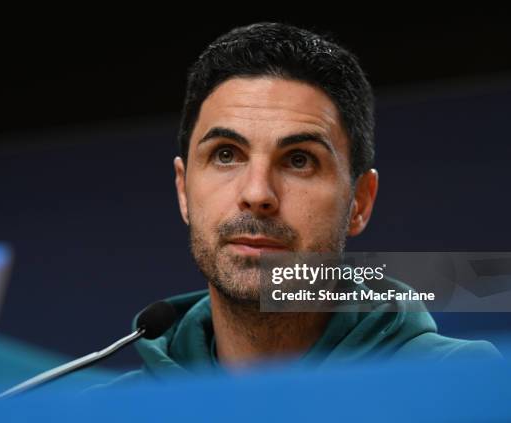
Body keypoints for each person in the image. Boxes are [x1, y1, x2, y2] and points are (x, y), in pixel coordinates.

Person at [102, 22, 501, 387]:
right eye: (226, 154)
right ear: (183, 190)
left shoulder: (461, 384)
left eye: (299, 160)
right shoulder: (105, 410)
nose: (258, 194)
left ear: (359, 201)